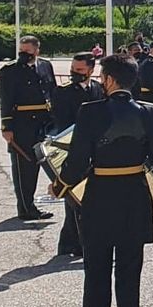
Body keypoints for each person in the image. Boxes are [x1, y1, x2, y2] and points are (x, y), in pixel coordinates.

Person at [58, 54, 153, 307]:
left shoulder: (89, 112)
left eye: (101, 76)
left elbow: (77, 160)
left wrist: (61, 183)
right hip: (134, 198)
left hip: (99, 196)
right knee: (128, 270)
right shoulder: (150, 112)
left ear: (109, 80)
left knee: (95, 269)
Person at [50, 52, 106, 256]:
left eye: (80, 70)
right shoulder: (63, 92)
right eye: (73, 70)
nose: (75, 73)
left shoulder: (99, 89)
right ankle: (75, 245)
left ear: (91, 70)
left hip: (96, 152)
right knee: (73, 198)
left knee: (89, 198)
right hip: (72, 150)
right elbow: (62, 123)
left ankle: (72, 242)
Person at [0, 35, 58, 221]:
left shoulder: (46, 66)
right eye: (21, 51)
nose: (23, 55)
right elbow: (6, 100)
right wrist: (6, 126)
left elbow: (52, 92)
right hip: (22, 123)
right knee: (24, 167)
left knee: (49, 163)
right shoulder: (10, 71)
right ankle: (26, 207)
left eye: (27, 52)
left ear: (36, 50)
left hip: (44, 122)